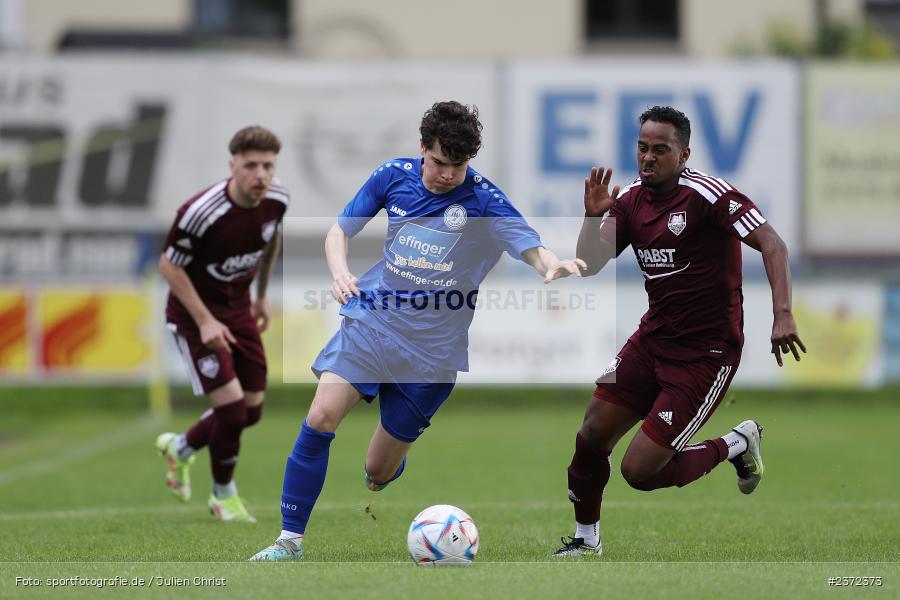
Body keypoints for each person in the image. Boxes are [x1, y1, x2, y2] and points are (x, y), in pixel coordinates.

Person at [249, 101, 585, 561]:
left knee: (377, 471)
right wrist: (340, 273)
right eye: (441, 162)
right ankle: (290, 541)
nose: (449, 175)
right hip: (373, 323)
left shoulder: (484, 200)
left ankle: (388, 470)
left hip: (432, 355)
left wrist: (553, 265)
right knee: (321, 417)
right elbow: (338, 232)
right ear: (423, 148)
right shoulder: (393, 175)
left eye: (459, 165)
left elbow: (531, 246)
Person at [553, 106, 806, 557]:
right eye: (642, 148)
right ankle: (584, 540)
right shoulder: (630, 200)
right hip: (653, 340)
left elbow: (773, 243)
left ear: (684, 153)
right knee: (592, 432)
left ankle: (736, 444)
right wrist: (591, 219)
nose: (648, 158)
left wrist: (782, 313)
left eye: (660, 150)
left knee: (640, 472)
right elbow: (589, 265)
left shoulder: (709, 196)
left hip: (706, 354)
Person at [155, 126, 288, 523]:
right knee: (231, 411)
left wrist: (261, 296)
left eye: (267, 165)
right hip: (195, 317)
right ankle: (223, 497)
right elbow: (168, 265)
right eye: (251, 166)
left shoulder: (277, 198)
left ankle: (181, 448)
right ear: (233, 166)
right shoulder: (201, 212)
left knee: (252, 411)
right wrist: (206, 320)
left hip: (240, 311)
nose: (260, 175)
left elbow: (272, 239)